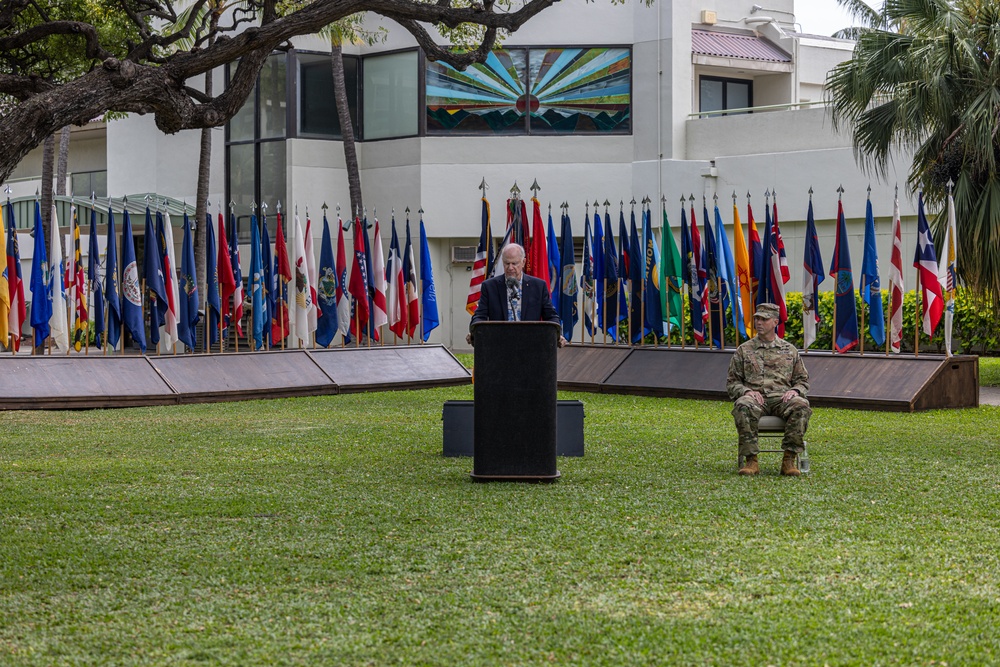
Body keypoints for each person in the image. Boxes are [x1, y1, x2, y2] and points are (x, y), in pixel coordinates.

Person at [727, 302, 811, 476]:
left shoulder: (790, 350)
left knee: (801, 405)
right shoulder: (744, 350)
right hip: (756, 399)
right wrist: (746, 392)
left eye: (764, 319)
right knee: (742, 404)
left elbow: (802, 381)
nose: (759, 322)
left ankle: (789, 460)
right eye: (757, 318)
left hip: (782, 399)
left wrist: (795, 391)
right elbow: (733, 382)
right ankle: (751, 461)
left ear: (775, 322)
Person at [467, 243, 567, 347]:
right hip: (499, 346)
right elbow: (479, 316)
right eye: (507, 263)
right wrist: (475, 331)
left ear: (523, 262)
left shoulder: (538, 286)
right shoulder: (490, 286)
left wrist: (557, 334)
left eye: (514, 263)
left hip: (531, 346)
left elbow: (551, 316)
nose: (510, 268)